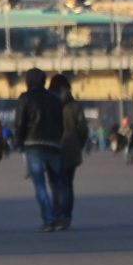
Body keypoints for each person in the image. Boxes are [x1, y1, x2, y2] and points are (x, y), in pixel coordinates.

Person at [14, 68, 68, 232]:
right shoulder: (55, 98)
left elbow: (20, 123)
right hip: (53, 144)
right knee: (57, 183)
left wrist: (20, 142)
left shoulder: (25, 98)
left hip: (33, 144)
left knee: (40, 185)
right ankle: (60, 217)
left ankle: (48, 219)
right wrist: (58, 138)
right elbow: (61, 122)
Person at [50, 74, 87, 229]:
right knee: (68, 184)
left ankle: (57, 215)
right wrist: (79, 144)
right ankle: (67, 217)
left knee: (55, 185)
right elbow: (83, 129)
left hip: (53, 148)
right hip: (72, 150)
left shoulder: (50, 104)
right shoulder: (75, 106)